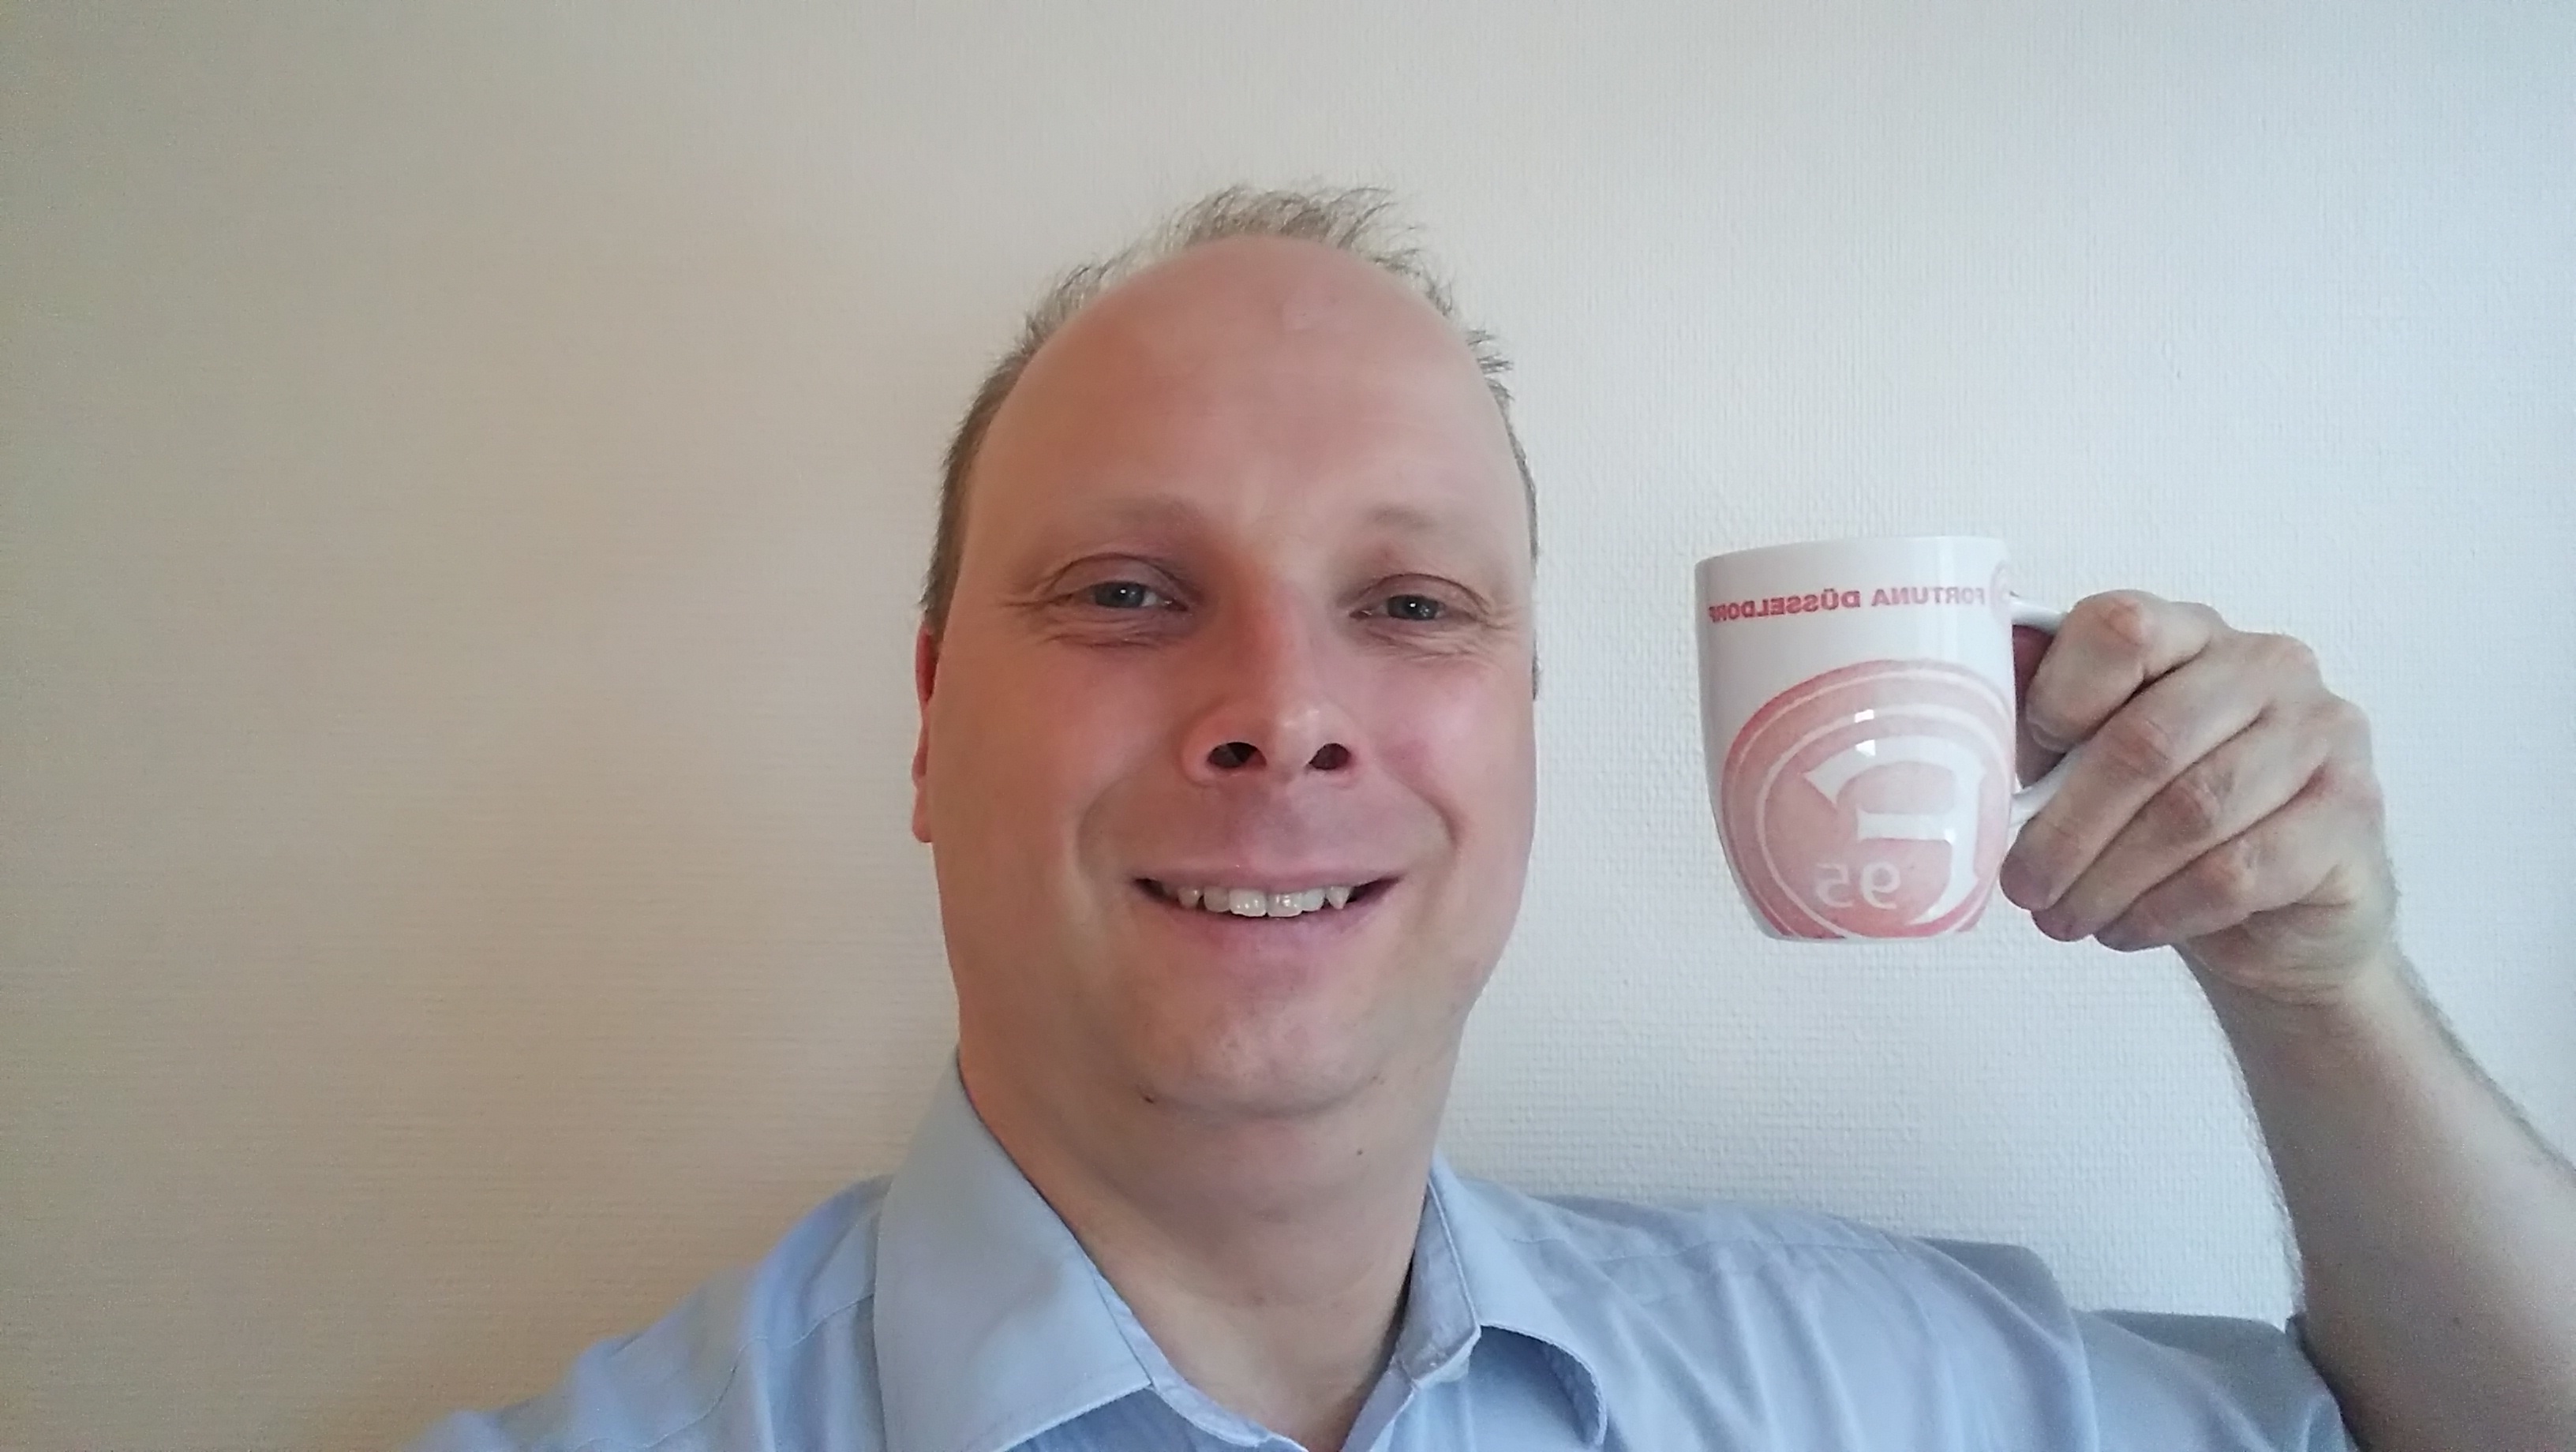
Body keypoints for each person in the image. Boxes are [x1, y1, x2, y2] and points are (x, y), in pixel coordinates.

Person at [408, 186, 2576, 1452]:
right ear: (927, 716)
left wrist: (2318, 985)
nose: (1282, 717)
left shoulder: (1862, 1386)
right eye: (1132, 594)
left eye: (1412, 606)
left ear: (1521, 728)